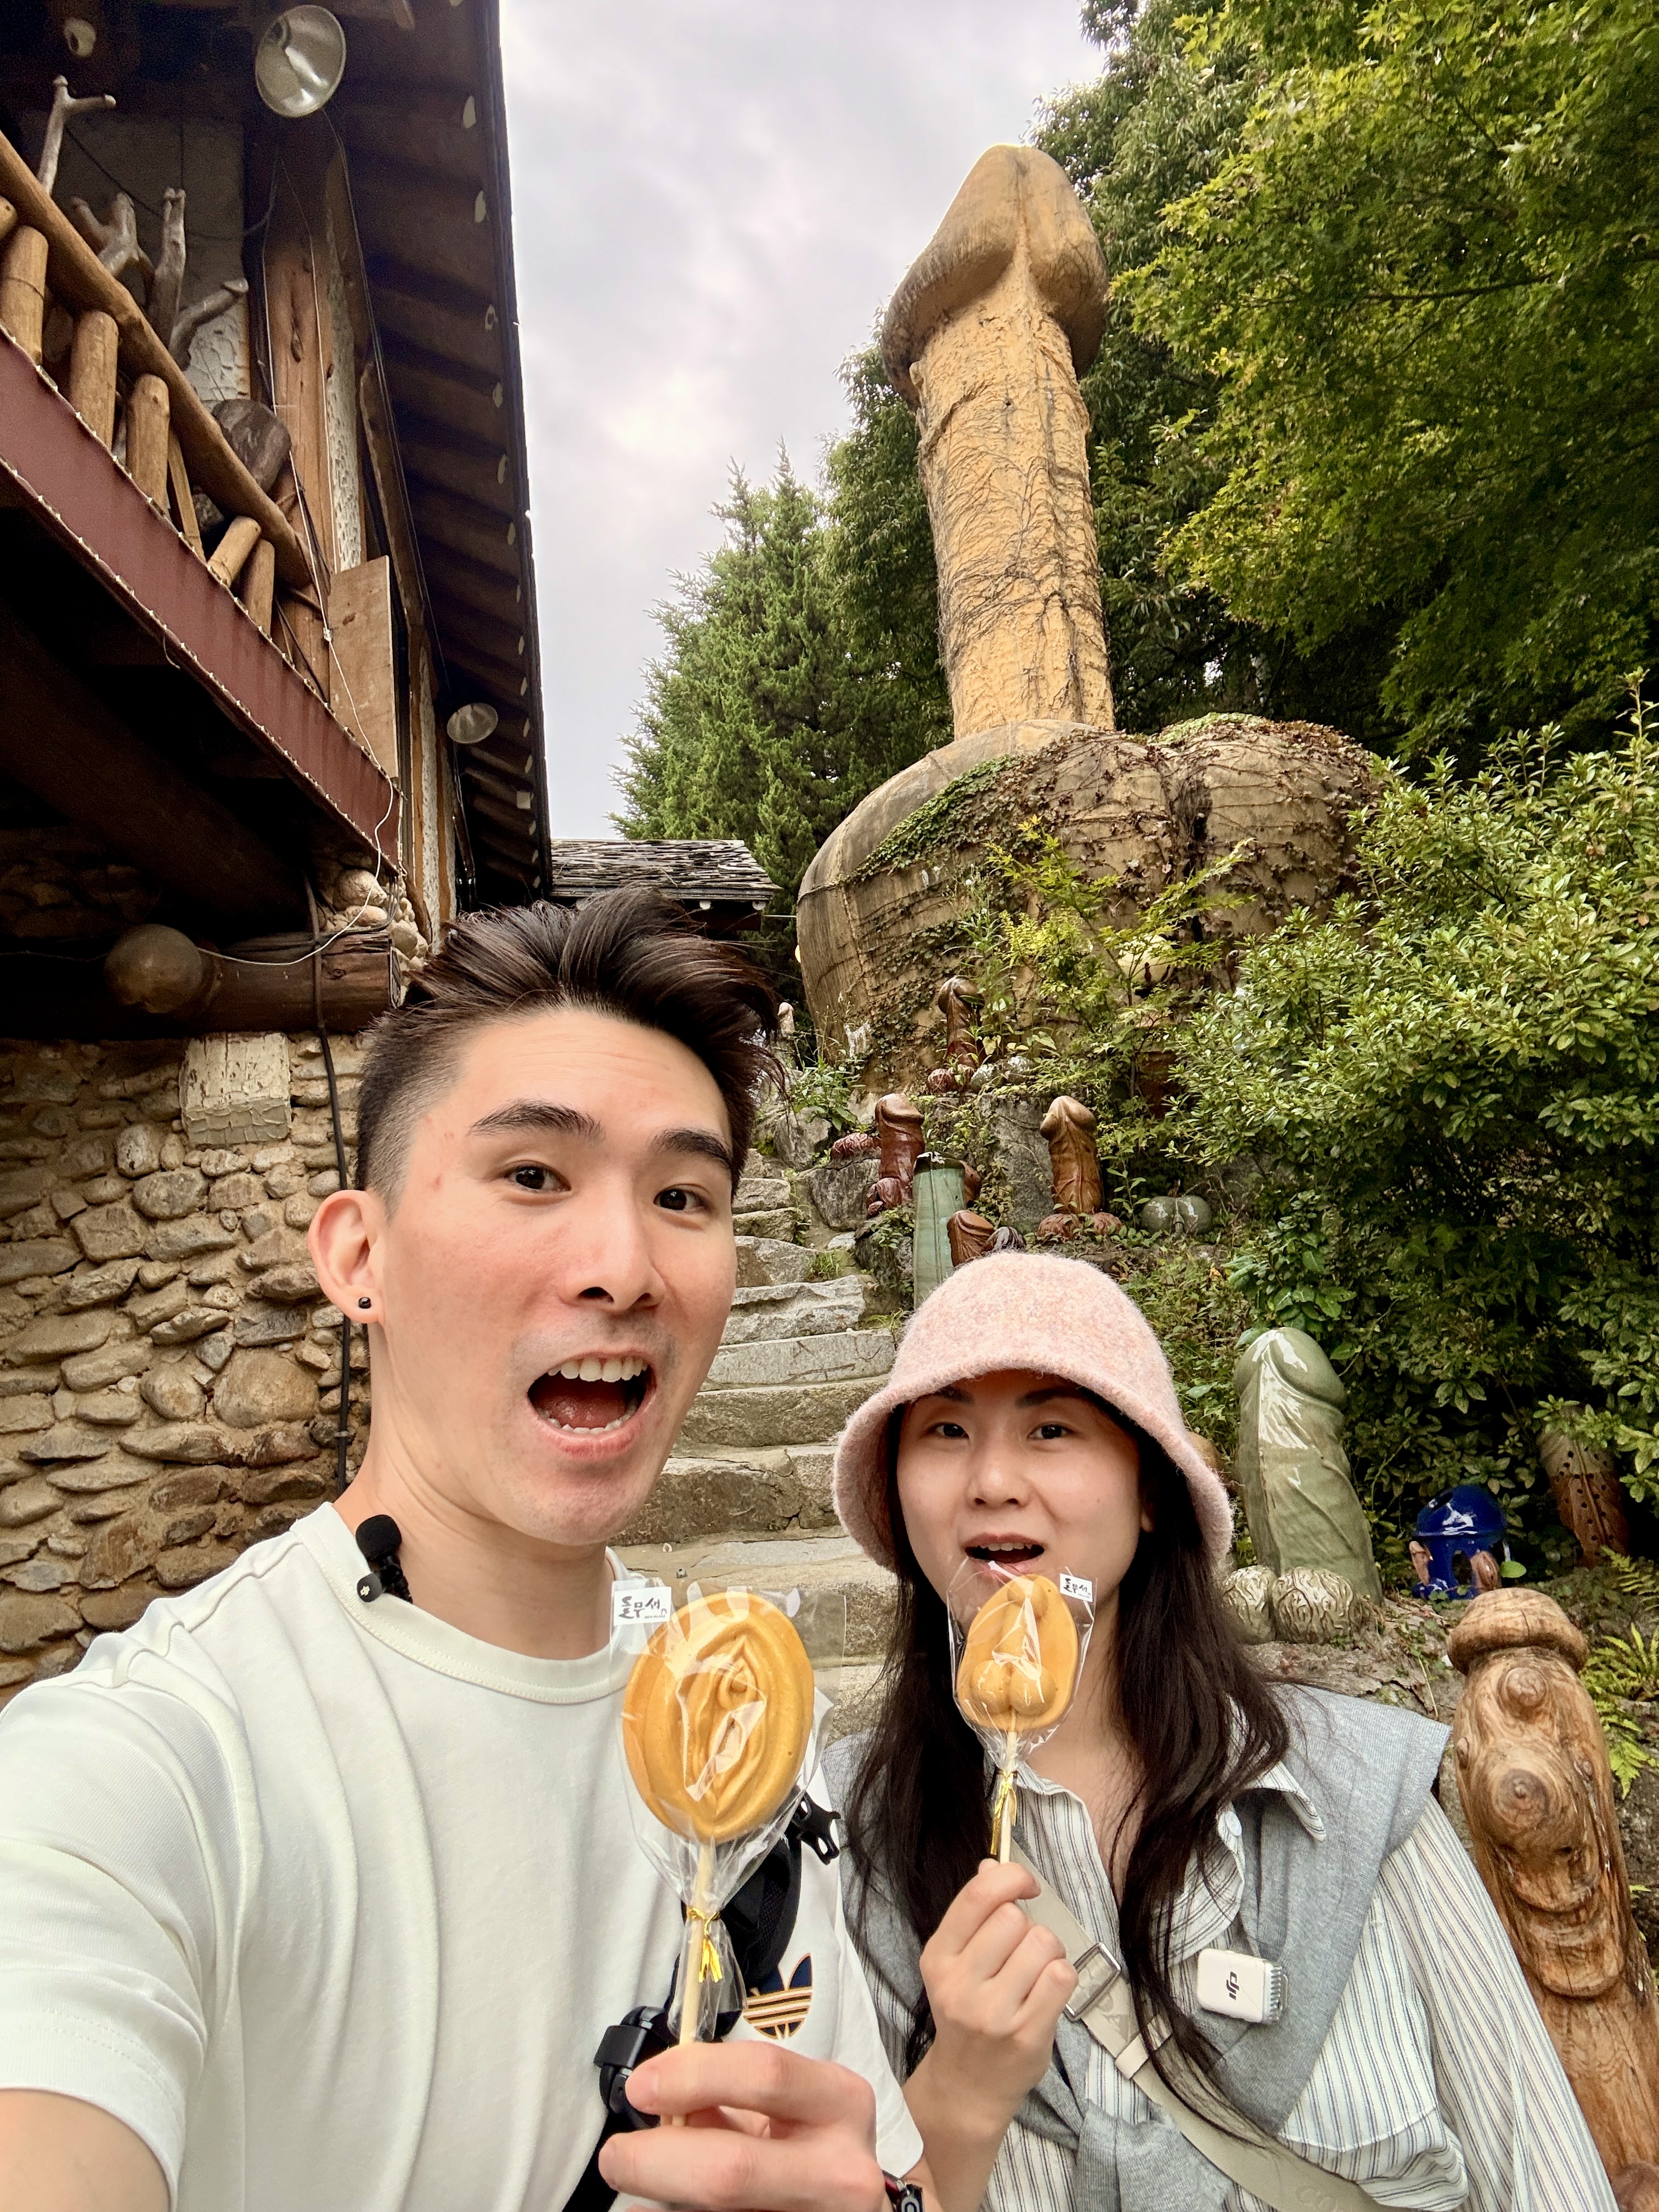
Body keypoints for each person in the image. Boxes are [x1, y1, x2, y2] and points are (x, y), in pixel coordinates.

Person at [0, 890, 929, 2212]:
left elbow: (868, 2150)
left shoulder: (737, 1748)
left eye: (683, 1194)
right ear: (358, 1256)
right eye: (534, 1174)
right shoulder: (143, 1773)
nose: (623, 1264)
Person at [823, 1251, 1617, 2212]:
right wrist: (952, 2103)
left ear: (1152, 1491)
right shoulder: (837, 1849)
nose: (992, 1480)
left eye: (1052, 1428)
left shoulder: (1358, 1793)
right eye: (944, 1430)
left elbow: (1541, 2174)